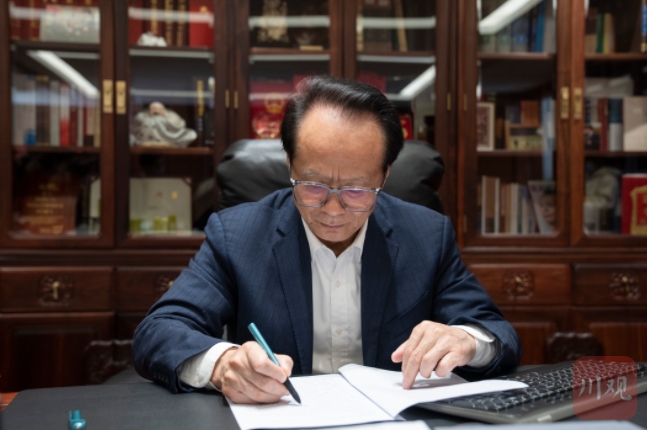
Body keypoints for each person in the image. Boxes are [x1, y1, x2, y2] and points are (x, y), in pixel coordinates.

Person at [133, 75, 522, 404]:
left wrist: (465, 339)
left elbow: (497, 333)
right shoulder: (236, 236)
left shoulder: (426, 235)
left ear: (385, 175)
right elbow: (159, 331)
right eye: (313, 185)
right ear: (290, 164)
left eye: (357, 189)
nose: (333, 209)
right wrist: (222, 365)